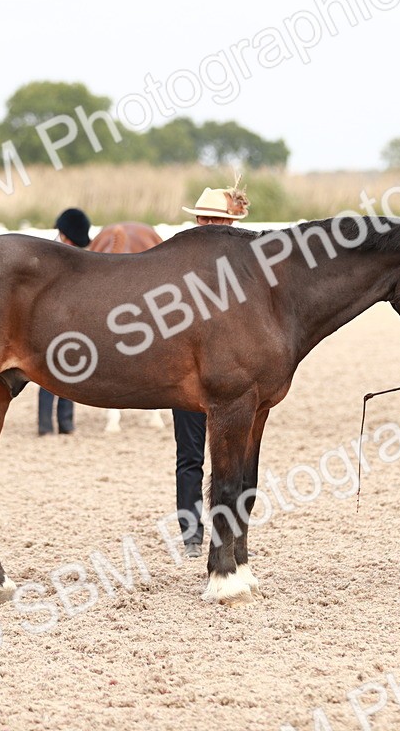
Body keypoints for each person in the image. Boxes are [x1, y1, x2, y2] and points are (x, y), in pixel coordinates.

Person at [174, 183, 250, 558]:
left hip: (231, 372)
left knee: (233, 458)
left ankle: (229, 535)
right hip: (189, 371)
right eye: (205, 219)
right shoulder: (180, 260)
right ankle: (191, 532)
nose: (208, 225)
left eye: (216, 220)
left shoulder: (245, 267)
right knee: (190, 456)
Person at [38, 208, 92, 436]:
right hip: (52, 321)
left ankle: (63, 423)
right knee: (49, 375)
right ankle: (47, 424)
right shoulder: (50, 256)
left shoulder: (72, 257)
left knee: (68, 373)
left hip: (69, 321)